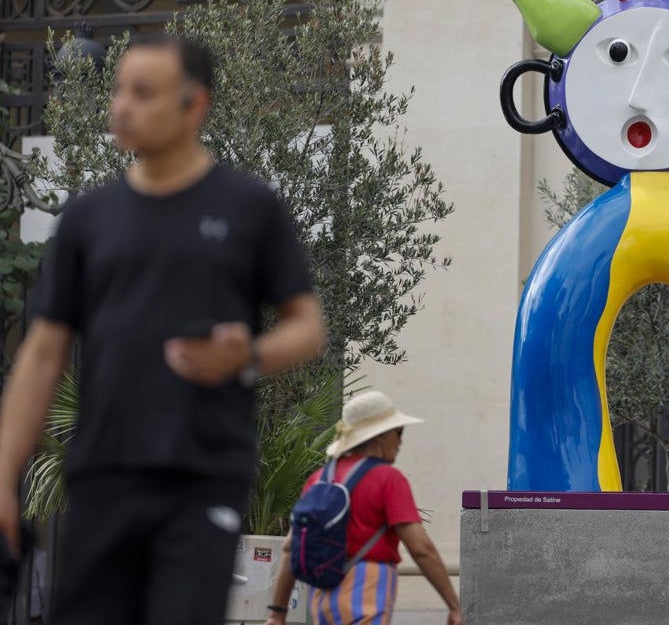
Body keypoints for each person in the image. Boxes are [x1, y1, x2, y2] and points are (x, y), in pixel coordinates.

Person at [0, 33, 326, 625]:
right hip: (101, 475)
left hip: (202, 476)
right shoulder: (85, 218)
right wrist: (2, 475)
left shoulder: (249, 208)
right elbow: (43, 356)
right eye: (121, 89)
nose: (122, 105)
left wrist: (247, 354)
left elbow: (307, 327)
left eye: (144, 92)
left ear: (193, 105)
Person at [265, 390, 462, 625]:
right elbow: (421, 549)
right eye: (399, 432)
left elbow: (290, 547)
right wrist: (454, 605)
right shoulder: (388, 479)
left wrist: (277, 614)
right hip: (365, 593)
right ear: (381, 435)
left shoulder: (319, 479)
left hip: (321, 598)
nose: (401, 442)